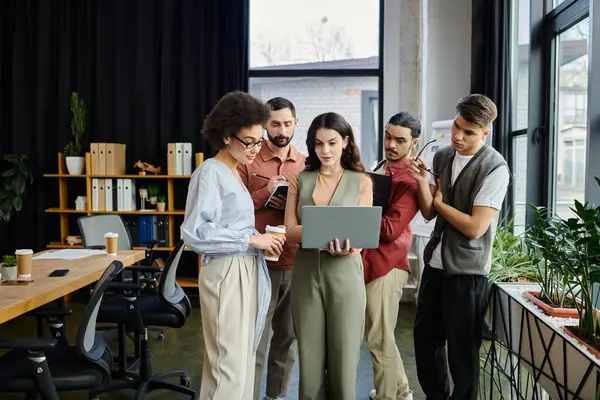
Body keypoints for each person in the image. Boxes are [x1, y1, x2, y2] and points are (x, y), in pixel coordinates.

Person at [181, 91, 286, 400]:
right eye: (249, 141)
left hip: (243, 267)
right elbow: (196, 231)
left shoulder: (232, 173)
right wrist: (252, 239)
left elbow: (231, 225)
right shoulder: (210, 173)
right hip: (227, 272)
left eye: (259, 140)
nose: (256, 148)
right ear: (227, 136)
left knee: (239, 360)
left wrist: (263, 238)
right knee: (226, 362)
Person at [409, 94, 510, 400]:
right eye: (456, 126)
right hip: (436, 264)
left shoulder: (495, 168)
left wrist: (440, 203)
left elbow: (475, 227)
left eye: (468, 132)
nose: (457, 136)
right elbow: (427, 213)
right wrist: (419, 182)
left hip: (468, 272)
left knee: (462, 355)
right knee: (425, 342)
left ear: (485, 133)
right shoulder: (442, 157)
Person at [284, 112, 373, 399]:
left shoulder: (361, 181)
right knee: (309, 358)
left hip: (345, 273)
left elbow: (363, 234)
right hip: (306, 272)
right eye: (318, 143)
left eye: (332, 143)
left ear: (346, 142)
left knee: (345, 356)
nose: (325, 151)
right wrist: (317, 233)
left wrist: (352, 246)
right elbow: (288, 230)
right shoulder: (300, 179)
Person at [237, 97, 306, 400]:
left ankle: (275, 396)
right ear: (265, 124)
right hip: (257, 261)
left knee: (287, 338)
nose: (281, 130)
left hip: (294, 262)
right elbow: (232, 210)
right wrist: (264, 193)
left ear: (296, 123)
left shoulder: (306, 164)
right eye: (275, 123)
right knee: (254, 338)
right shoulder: (246, 159)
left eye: (287, 123)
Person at [363, 112, 421, 400]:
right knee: (381, 335)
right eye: (388, 136)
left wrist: (356, 211)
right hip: (370, 262)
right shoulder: (381, 167)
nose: (391, 144)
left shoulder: (409, 180)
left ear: (414, 143)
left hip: (388, 265)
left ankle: (387, 396)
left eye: (400, 140)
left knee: (378, 339)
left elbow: (389, 229)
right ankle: (401, 391)